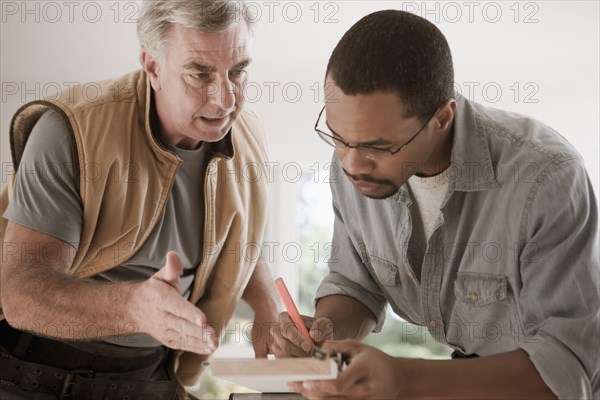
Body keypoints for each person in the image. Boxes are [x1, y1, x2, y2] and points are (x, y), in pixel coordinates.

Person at [272, 10, 599, 399]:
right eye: (338, 138)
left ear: (442, 118)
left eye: (379, 147)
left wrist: (404, 379)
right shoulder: (354, 160)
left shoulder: (545, 176)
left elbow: (568, 363)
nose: (352, 164)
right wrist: (324, 331)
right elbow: (355, 285)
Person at [0, 1, 280, 399]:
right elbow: (21, 296)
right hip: (31, 372)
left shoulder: (248, 138)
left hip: (151, 376)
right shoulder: (69, 131)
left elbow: (238, 237)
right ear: (152, 67)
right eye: (200, 74)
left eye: (238, 72)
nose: (226, 100)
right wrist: (132, 307)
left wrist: (268, 307)